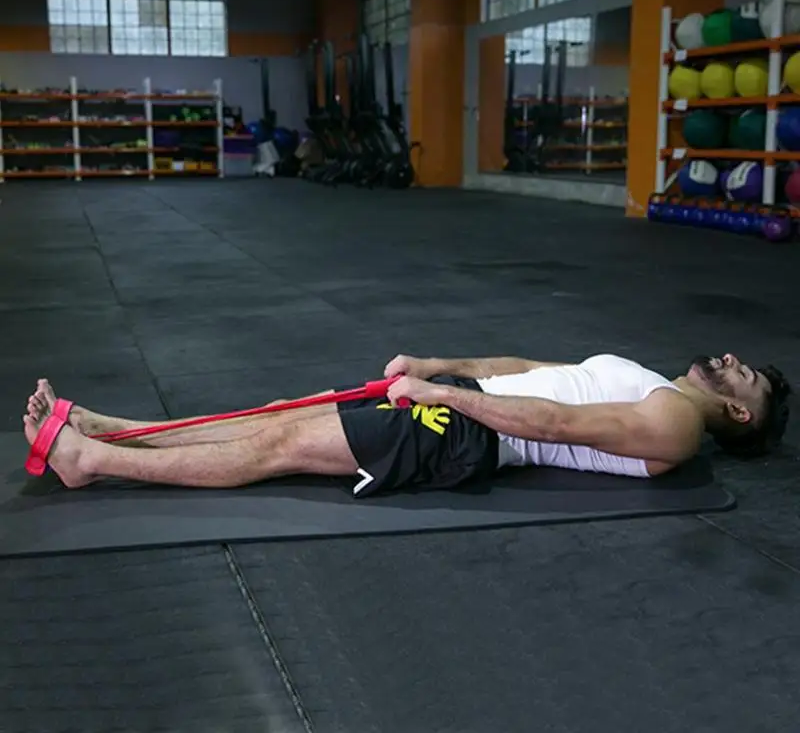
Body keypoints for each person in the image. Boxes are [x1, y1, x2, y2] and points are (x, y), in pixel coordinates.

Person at [23, 351, 791, 495]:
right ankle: (114, 427)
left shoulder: (677, 426)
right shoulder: (649, 380)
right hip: (463, 399)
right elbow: (530, 368)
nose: (729, 360)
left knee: (278, 445)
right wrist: (440, 366)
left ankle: (93, 462)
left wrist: (445, 398)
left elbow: (555, 423)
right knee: (278, 414)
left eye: (744, 374)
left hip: (472, 434)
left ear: (738, 412)